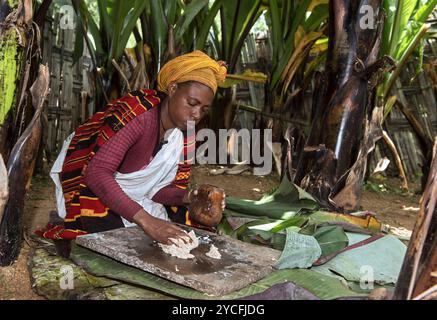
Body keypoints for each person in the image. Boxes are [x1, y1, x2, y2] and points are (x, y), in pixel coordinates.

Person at [37, 50, 227, 245]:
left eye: (203, 109)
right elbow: (96, 173)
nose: (196, 114)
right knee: (114, 240)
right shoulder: (137, 115)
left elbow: (157, 191)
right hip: (85, 179)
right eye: (192, 103)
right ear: (172, 89)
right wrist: (148, 222)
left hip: (129, 194)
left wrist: (192, 197)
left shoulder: (184, 134)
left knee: (187, 229)